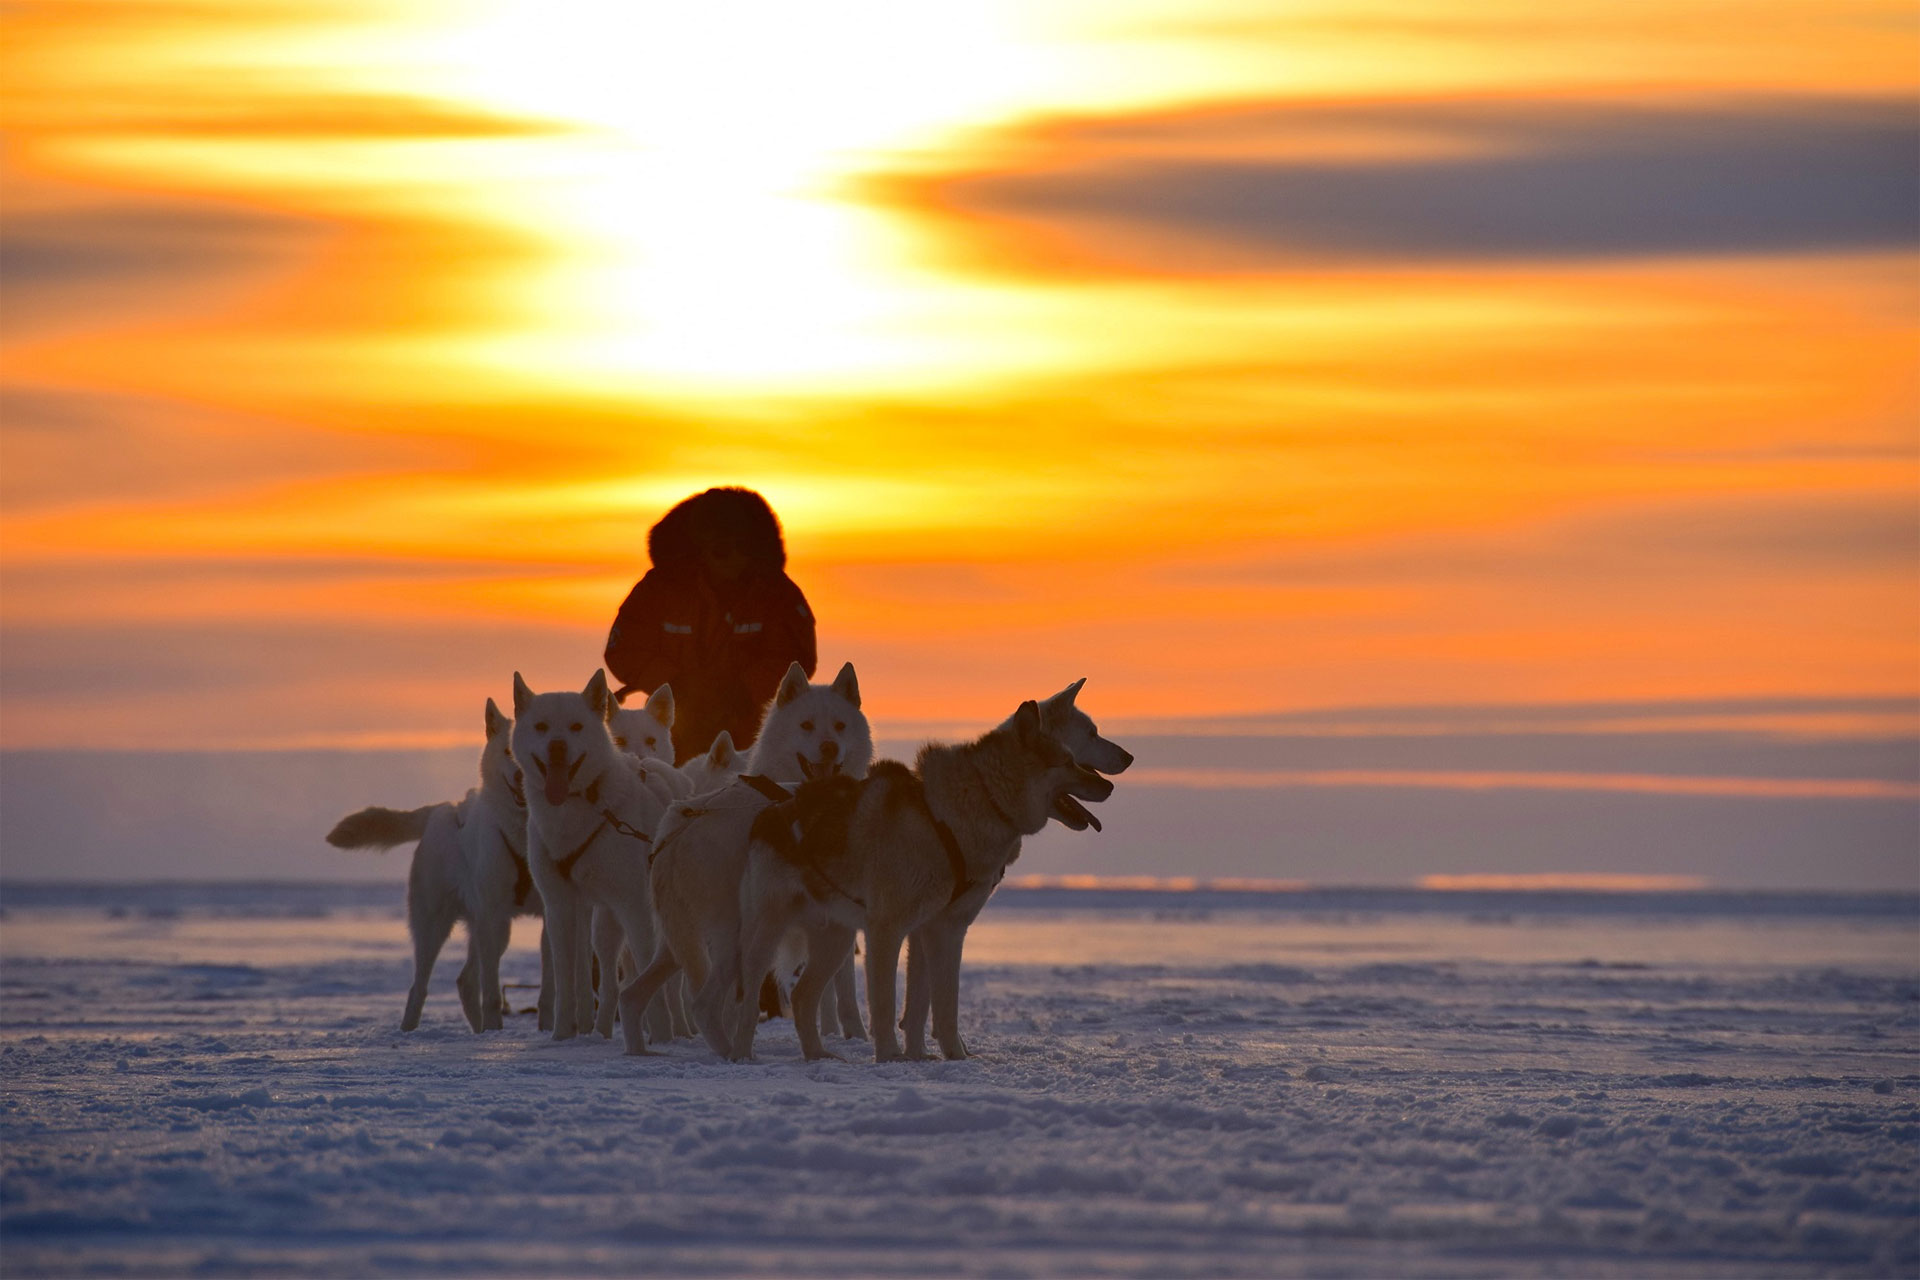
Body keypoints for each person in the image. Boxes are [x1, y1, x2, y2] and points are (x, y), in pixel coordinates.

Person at [603, 487, 817, 764]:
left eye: (746, 548)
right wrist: (676, 686)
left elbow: (793, 658)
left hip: (750, 741)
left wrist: (740, 694)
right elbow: (626, 648)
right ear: (700, 550)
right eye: (723, 550)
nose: (736, 558)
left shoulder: (777, 595)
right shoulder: (659, 591)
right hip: (672, 736)